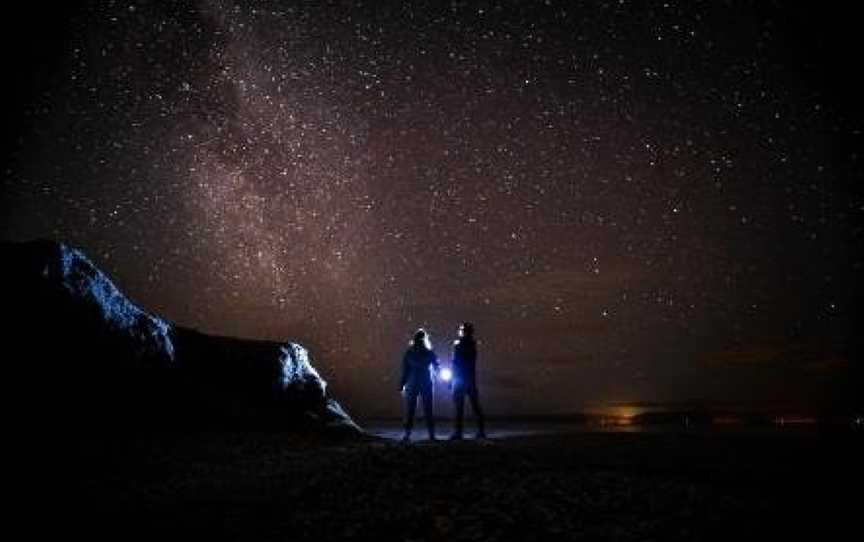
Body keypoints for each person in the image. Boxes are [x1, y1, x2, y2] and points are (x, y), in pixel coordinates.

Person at [399, 328, 440, 442]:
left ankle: (407, 434)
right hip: (425, 382)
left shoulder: (409, 352)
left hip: (412, 382)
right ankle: (431, 434)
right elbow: (436, 367)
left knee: (410, 409)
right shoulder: (429, 352)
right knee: (428, 409)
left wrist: (402, 384)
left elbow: (405, 370)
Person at [450, 322, 486, 439]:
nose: (460, 331)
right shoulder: (472, 344)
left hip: (460, 379)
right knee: (475, 406)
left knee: (459, 408)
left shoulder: (459, 345)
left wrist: (452, 381)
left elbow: (455, 363)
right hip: (469, 379)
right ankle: (480, 431)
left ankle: (458, 432)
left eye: (461, 329)